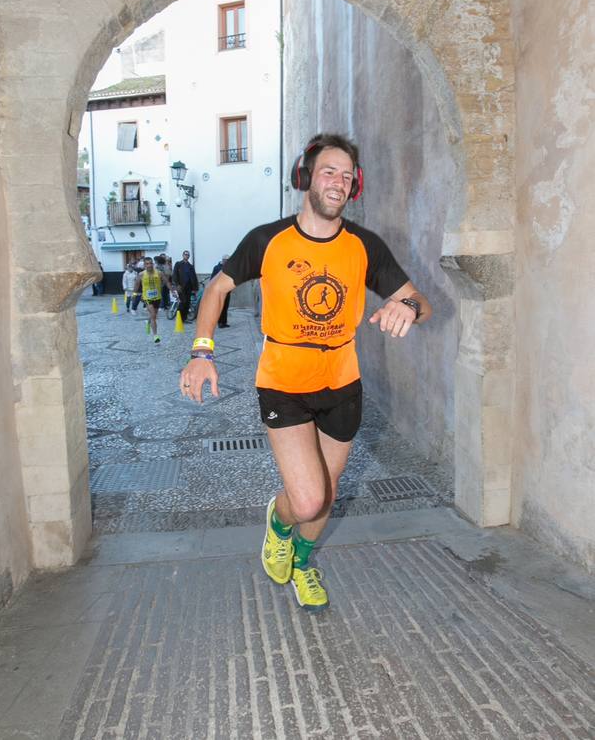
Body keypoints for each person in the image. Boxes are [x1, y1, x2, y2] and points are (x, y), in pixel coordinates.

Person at [179, 134, 432, 612]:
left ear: (354, 187)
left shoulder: (364, 246)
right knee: (309, 499)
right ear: (306, 177)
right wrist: (202, 351)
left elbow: (422, 302)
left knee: (328, 494)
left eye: (347, 175)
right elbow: (216, 290)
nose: (339, 181)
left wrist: (408, 309)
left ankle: (303, 564)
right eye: (329, 171)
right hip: (284, 383)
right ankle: (279, 522)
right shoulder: (268, 240)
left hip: (342, 383)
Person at [133, 256, 172, 342]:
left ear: (153, 264)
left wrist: (173, 291)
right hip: (147, 298)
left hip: (157, 297)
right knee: (153, 315)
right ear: (144, 265)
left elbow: (167, 282)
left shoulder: (159, 273)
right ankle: (155, 336)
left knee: (153, 316)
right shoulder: (141, 274)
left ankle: (148, 322)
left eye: (150, 263)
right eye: (147, 264)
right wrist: (134, 294)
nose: (149, 265)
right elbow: (136, 284)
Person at [172, 250, 199, 323]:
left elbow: (194, 277)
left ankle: (184, 318)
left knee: (187, 303)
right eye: (185, 254)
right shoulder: (178, 264)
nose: (186, 256)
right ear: (183, 255)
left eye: (187, 255)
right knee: (182, 302)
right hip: (181, 287)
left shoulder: (190, 266)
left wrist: (195, 288)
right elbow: (175, 275)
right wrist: (177, 285)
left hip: (189, 287)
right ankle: (179, 318)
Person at [210, 255, 231, 327]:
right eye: (227, 260)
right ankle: (219, 322)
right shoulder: (217, 268)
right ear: (223, 260)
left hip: (227, 290)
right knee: (220, 307)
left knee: (226, 307)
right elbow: (212, 279)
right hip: (219, 291)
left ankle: (224, 322)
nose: (228, 262)